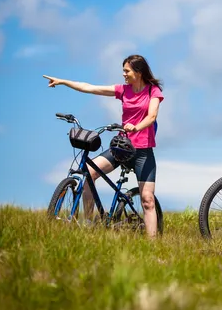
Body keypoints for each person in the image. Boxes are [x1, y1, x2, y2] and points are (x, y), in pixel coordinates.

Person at [43, 55, 164, 238]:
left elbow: (152, 116)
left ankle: (153, 245)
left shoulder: (152, 92)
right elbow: (90, 88)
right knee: (89, 175)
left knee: (147, 200)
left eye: (127, 71)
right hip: (121, 147)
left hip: (143, 152)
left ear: (138, 72)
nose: (123, 74)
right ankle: (89, 224)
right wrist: (63, 81)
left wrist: (136, 127)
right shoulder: (123, 90)